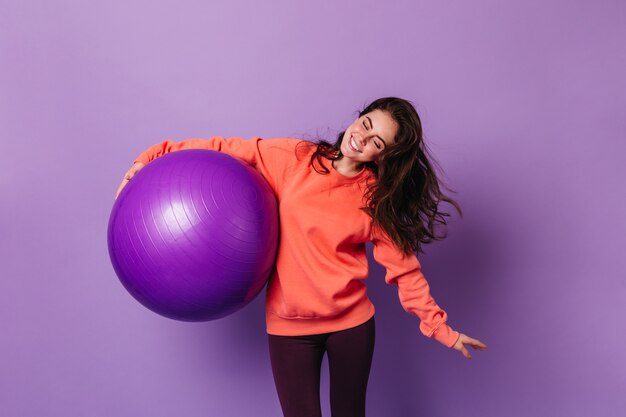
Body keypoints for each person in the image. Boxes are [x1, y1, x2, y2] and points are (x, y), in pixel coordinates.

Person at [115, 97, 487, 417]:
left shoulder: (377, 199)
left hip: (351, 327)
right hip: (289, 329)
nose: (362, 138)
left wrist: (441, 330)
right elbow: (222, 147)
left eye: (377, 142)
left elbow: (405, 272)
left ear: (384, 156)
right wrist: (151, 157)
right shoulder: (295, 158)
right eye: (367, 124)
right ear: (359, 116)